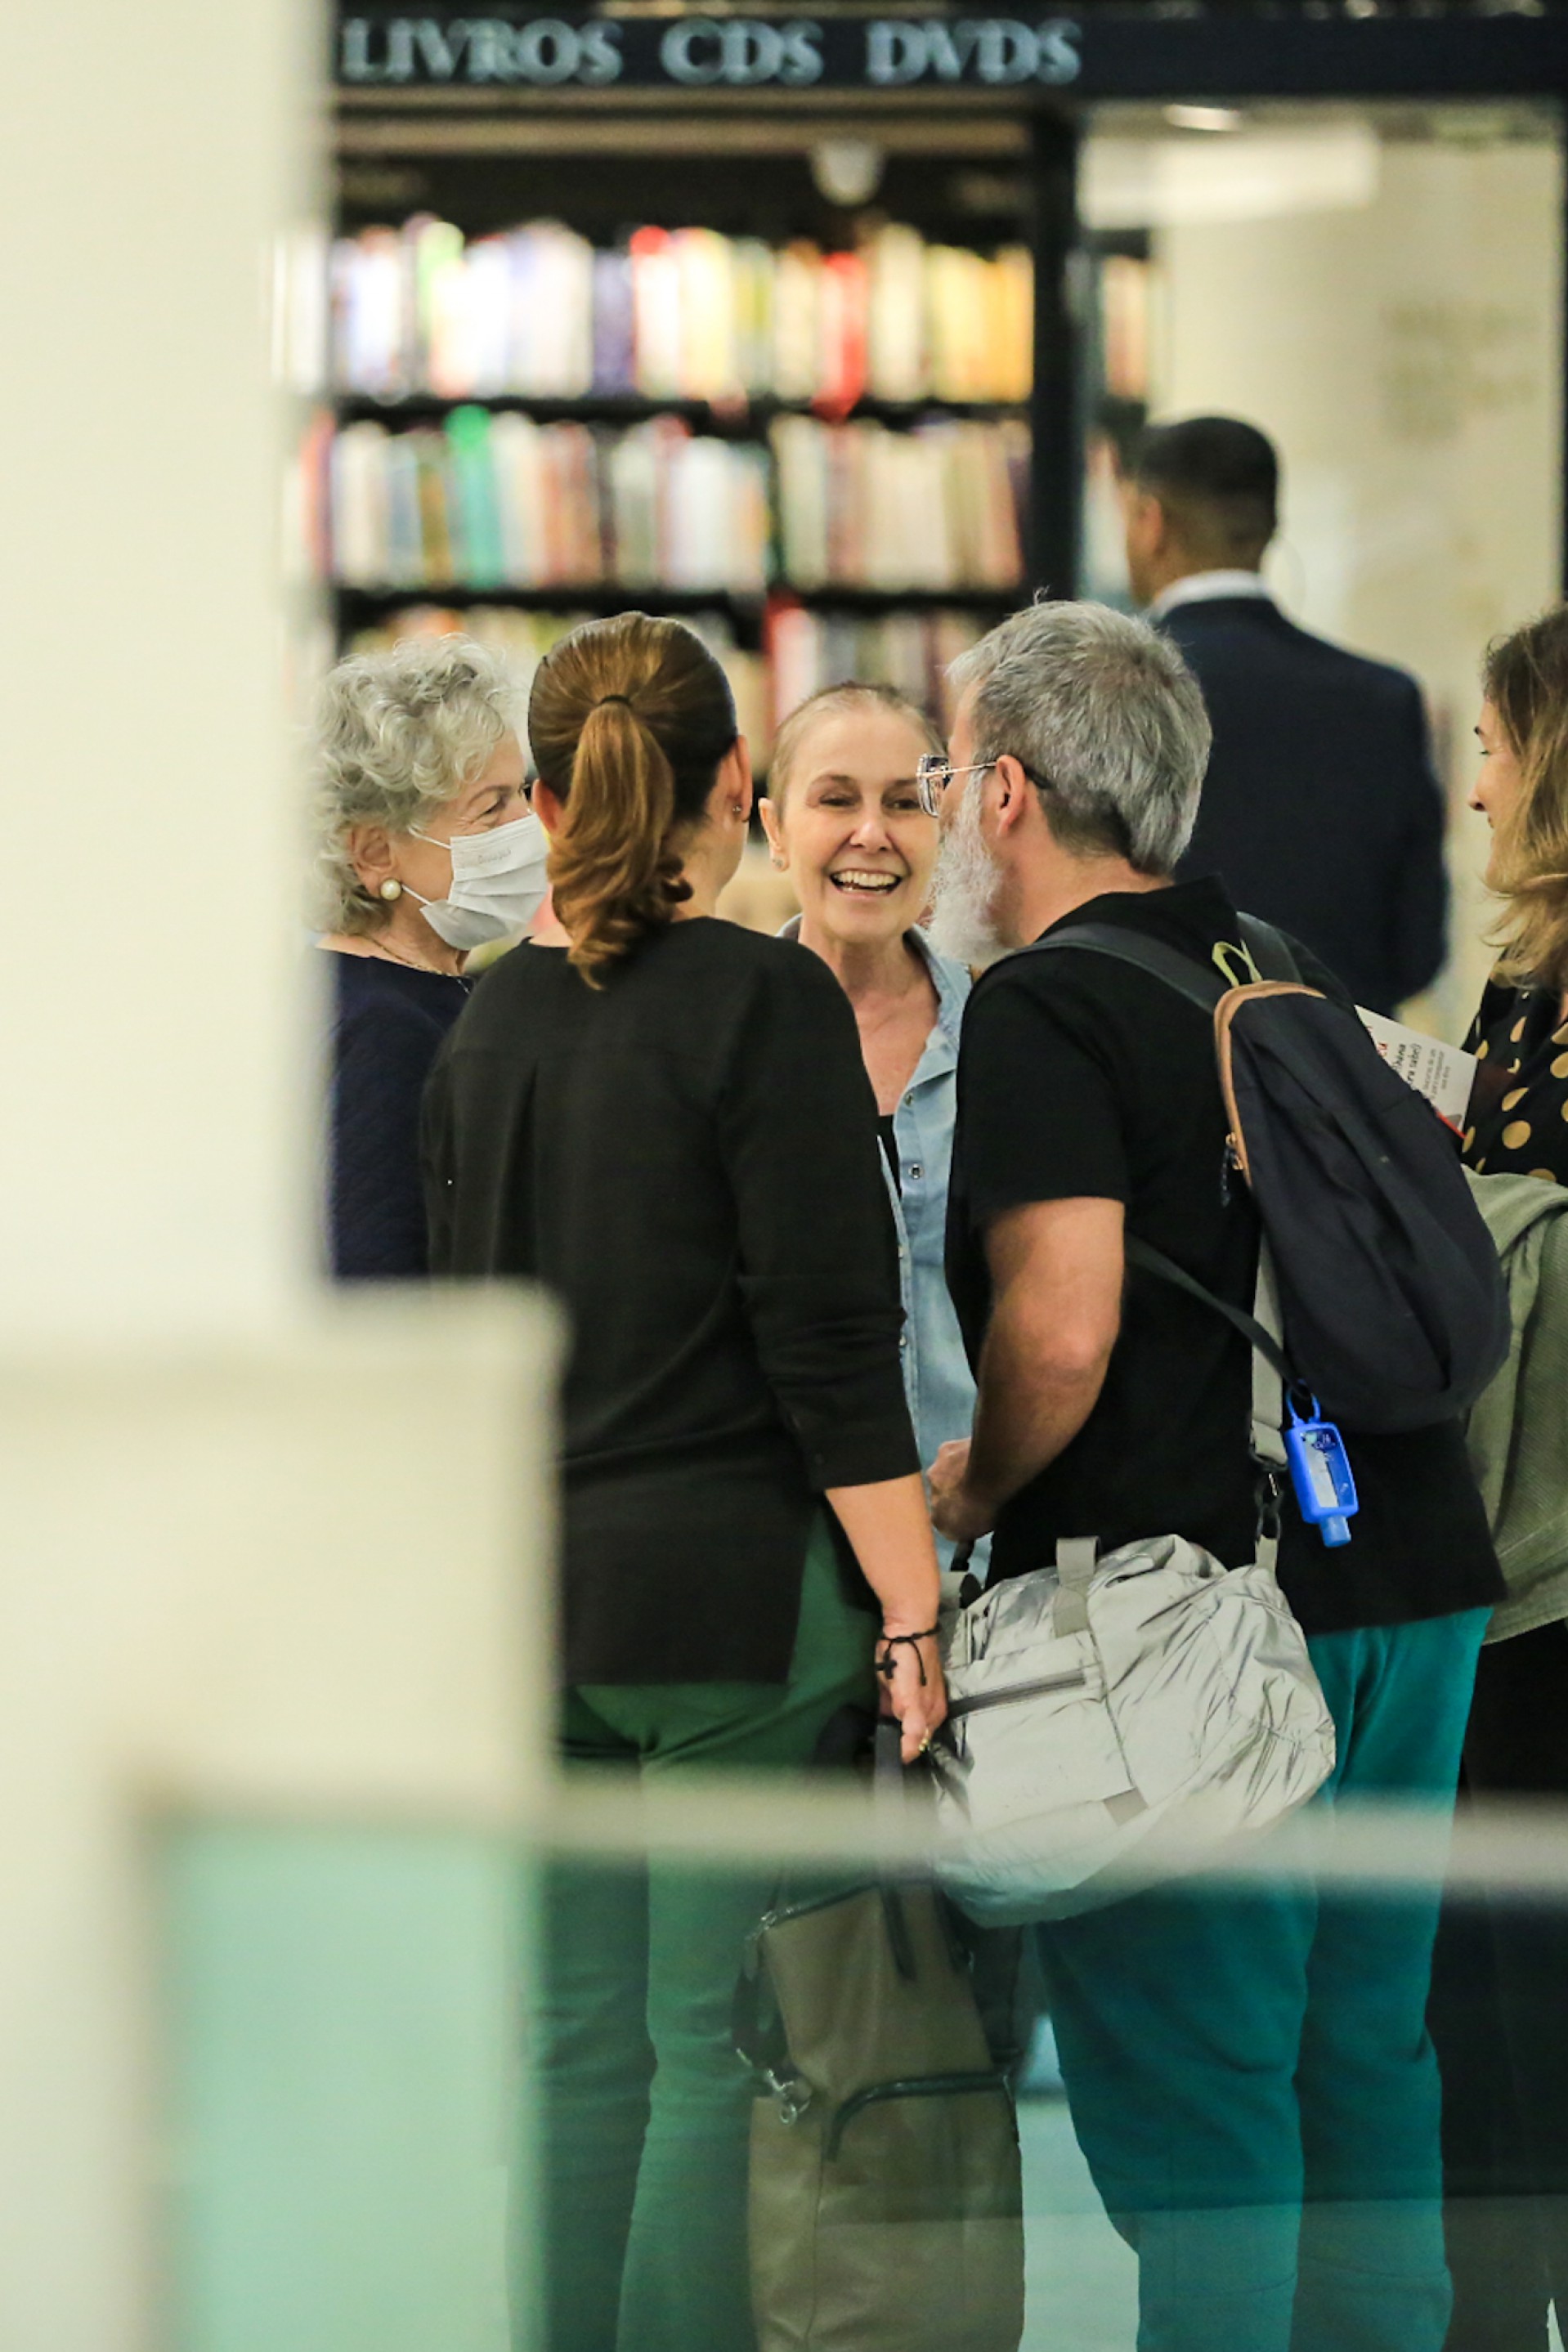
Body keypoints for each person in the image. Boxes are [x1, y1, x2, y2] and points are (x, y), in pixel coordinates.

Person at [923, 597, 1502, 2352]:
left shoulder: (1044, 1005)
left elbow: (1063, 1329)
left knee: (1210, 2108)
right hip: (1407, 1572)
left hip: (1200, 1613)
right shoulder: (1273, 959)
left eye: (952, 774)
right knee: (1365, 2057)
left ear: (1010, 793)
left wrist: (968, 1489)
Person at [419, 612, 946, 2352]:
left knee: (571, 2047)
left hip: (531, 1602)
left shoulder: (486, 1024)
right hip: (726, 1603)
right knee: (706, 2052)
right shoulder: (763, 997)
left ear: (549, 797)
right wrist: (913, 1601)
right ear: (739, 784)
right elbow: (826, 1342)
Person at [1434, 604, 1568, 2349]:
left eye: (1489, 745)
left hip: (1548, 1555)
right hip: (1504, 1551)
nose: (1472, 791)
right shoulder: (1524, 985)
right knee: (1481, 1995)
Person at [759, 683, 980, 1569]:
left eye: (905, 803)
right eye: (836, 799)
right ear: (775, 831)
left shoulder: (1016, 1041)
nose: (872, 834)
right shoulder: (715, 1053)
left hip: (997, 1568)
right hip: (796, 1574)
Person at [1124, 414, 1449, 1015]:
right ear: (1271, 527)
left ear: (1150, 522)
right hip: (1343, 1086)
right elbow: (1417, 952)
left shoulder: (1110, 695)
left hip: (1157, 1081)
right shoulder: (1384, 700)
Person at [314, 634, 548, 1276]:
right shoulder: (385, 1031)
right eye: (491, 806)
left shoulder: (387, 991)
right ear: (374, 854)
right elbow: (381, 1284)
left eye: (521, 791)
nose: (528, 823)